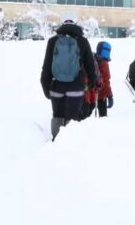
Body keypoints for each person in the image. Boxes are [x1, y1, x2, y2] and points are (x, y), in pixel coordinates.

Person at [40, 12, 96, 141]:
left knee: (57, 115)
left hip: (56, 86)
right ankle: (68, 144)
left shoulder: (53, 41)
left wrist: (45, 85)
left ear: (62, 22)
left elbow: (47, 65)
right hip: (76, 86)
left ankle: (55, 141)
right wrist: (91, 84)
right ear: (76, 23)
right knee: (73, 116)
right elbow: (90, 65)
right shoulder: (82, 41)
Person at [83, 41, 113, 118]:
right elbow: (106, 80)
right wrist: (109, 95)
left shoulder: (92, 58)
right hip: (101, 94)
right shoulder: (104, 62)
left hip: (89, 92)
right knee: (103, 116)